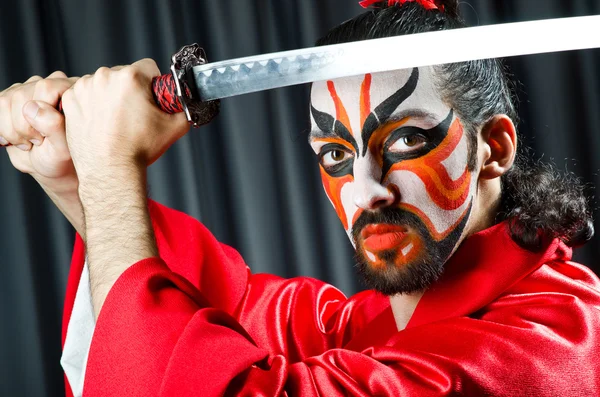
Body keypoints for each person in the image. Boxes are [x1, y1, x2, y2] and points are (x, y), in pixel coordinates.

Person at [2, 0, 599, 395]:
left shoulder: (545, 347)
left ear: (493, 147)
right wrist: (80, 179)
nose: (366, 193)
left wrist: (110, 169)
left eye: (408, 139)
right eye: (337, 155)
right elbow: (227, 308)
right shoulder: (388, 320)